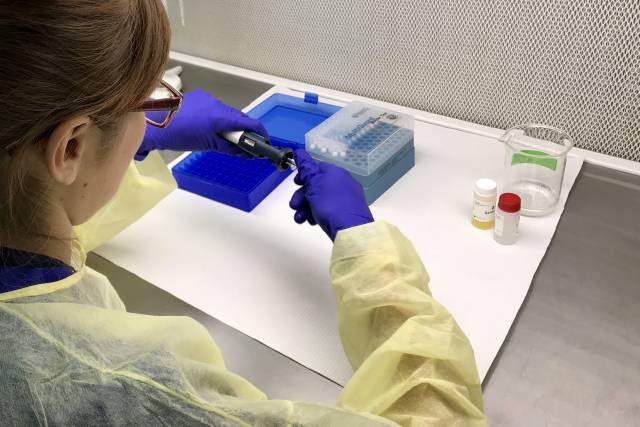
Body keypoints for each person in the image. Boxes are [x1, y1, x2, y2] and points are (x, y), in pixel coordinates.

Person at [0, 1, 487, 425]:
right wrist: (371, 253)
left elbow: (41, 208)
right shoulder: (123, 389)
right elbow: (437, 416)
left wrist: (142, 136)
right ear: (69, 148)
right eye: (151, 102)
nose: (159, 113)